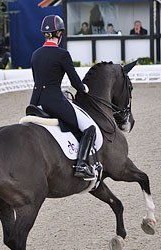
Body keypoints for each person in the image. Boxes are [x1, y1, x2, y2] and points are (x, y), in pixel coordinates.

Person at [29, 15, 101, 180]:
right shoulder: (62, 54)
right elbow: (75, 82)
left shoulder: (35, 54)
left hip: (35, 102)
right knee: (89, 128)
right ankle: (82, 165)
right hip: (54, 101)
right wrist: (84, 88)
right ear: (59, 33)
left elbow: (39, 80)